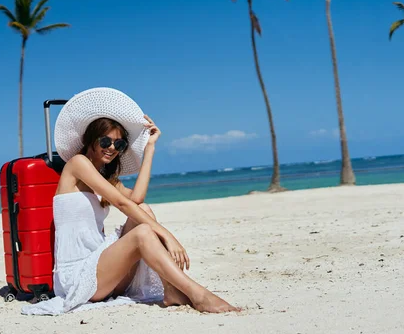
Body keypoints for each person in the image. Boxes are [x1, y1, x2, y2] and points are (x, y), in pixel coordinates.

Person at [21, 88, 240, 315]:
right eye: (106, 141)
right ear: (90, 139)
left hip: (103, 270)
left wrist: (150, 148)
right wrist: (168, 235)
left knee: (143, 210)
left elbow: (136, 199)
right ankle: (199, 295)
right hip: (78, 277)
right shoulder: (77, 163)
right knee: (143, 232)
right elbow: (122, 204)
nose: (112, 148)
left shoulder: (104, 177)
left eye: (119, 144)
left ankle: (171, 291)